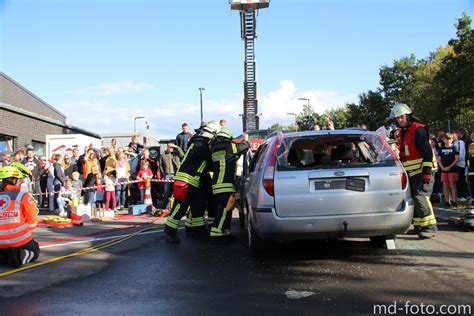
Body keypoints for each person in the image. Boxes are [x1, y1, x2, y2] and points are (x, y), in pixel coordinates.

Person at [164, 121, 221, 244]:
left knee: (198, 207)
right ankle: (170, 232)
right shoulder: (202, 145)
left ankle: (198, 232)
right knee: (180, 208)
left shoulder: (197, 141)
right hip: (186, 179)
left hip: (195, 181)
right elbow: (210, 161)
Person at [390, 103, 438, 239]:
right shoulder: (404, 132)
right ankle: (419, 225)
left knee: (420, 196)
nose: (400, 120)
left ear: (408, 116)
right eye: (397, 118)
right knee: (413, 197)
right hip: (411, 171)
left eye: (402, 117)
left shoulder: (418, 130)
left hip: (423, 169)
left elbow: (427, 153)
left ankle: (430, 226)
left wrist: (427, 172)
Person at [209, 128, 250, 244]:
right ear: (229, 137)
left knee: (223, 209)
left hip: (216, 184)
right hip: (226, 185)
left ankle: (225, 232)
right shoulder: (229, 146)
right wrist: (245, 141)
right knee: (224, 211)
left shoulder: (214, 149)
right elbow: (244, 147)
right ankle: (217, 234)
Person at [0, 164, 40, 268]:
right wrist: (28, 229)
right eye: (19, 179)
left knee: (3, 253)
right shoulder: (22, 196)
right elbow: (32, 219)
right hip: (19, 239)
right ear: (14, 180)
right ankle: (19, 256)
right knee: (35, 249)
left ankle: (4, 256)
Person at [437, 133, 460, 208]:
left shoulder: (455, 148)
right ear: (443, 140)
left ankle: (454, 201)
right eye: (446, 139)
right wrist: (442, 168)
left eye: (449, 139)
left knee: (452, 185)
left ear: (452, 139)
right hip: (443, 170)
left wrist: (450, 167)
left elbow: (457, 159)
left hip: (452, 169)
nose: (448, 141)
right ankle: (447, 201)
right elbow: (439, 160)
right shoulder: (441, 149)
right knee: (445, 186)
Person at [159, 143, 184, 208]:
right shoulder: (163, 154)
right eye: (169, 147)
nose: (170, 148)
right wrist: (163, 173)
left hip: (175, 175)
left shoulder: (176, 153)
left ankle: (174, 206)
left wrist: (175, 146)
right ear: (167, 147)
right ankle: (165, 207)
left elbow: (182, 154)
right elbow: (160, 165)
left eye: (171, 147)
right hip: (167, 175)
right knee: (166, 192)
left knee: (175, 192)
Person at [453, 130, 468, 201]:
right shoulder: (453, 143)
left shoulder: (460, 142)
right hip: (455, 164)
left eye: (454, 135)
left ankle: (463, 195)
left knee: (461, 180)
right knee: (457, 181)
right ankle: (459, 195)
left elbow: (461, 154)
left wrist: (457, 161)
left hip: (460, 164)